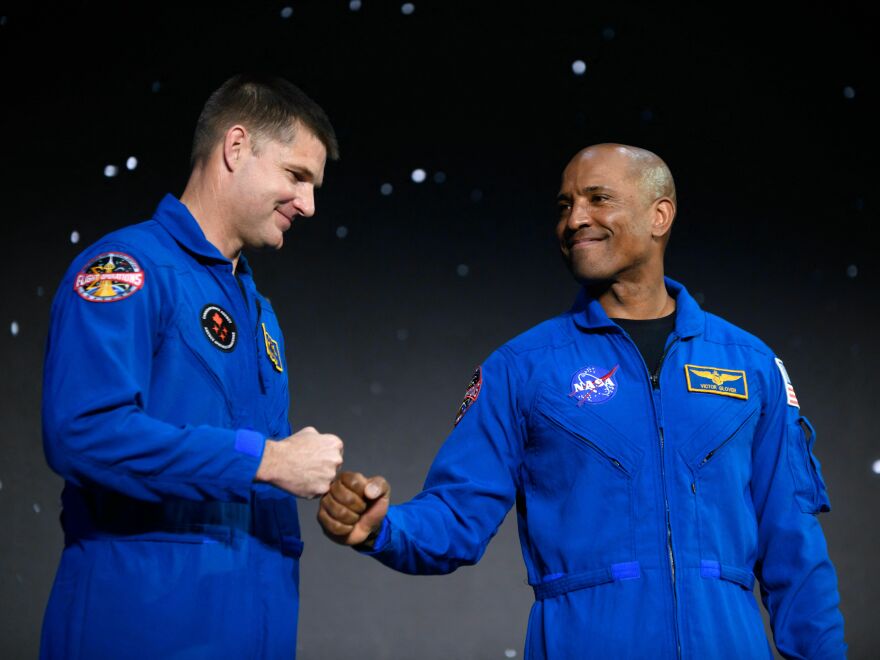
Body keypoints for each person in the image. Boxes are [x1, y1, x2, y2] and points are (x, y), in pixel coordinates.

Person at [317, 144, 847, 658]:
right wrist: (382, 529)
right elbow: (456, 517)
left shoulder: (750, 365)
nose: (574, 220)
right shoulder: (521, 368)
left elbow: (794, 548)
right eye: (565, 205)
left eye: (598, 199)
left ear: (659, 215)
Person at [41, 73, 344, 659]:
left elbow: (250, 475)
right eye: (296, 176)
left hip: (250, 629)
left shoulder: (260, 313)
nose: (308, 205)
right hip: (139, 629)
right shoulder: (126, 269)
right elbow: (83, 434)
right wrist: (266, 460)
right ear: (236, 148)